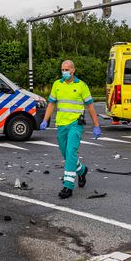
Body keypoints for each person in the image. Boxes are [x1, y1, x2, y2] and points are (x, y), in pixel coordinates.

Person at [39, 60, 101, 199]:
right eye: (62, 69)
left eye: (67, 69)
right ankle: (82, 170)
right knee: (66, 155)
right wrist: (44, 120)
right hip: (61, 124)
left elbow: (90, 106)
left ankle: (68, 186)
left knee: (71, 151)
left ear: (73, 70)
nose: (64, 72)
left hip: (75, 124)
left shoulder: (81, 86)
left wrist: (96, 125)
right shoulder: (57, 85)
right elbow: (51, 104)